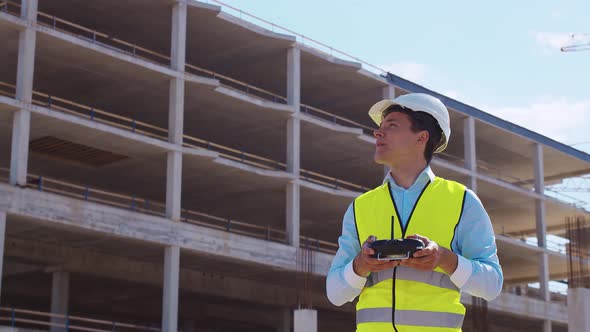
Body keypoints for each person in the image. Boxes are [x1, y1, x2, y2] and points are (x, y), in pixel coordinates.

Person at [326, 93, 503, 332]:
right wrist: (360, 265)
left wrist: (443, 257)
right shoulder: (360, 207)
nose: (379, 133)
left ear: (421, 138)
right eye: (380, 127)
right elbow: (335, 293)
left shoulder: (461, 201)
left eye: (392, 126)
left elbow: (492, 285)